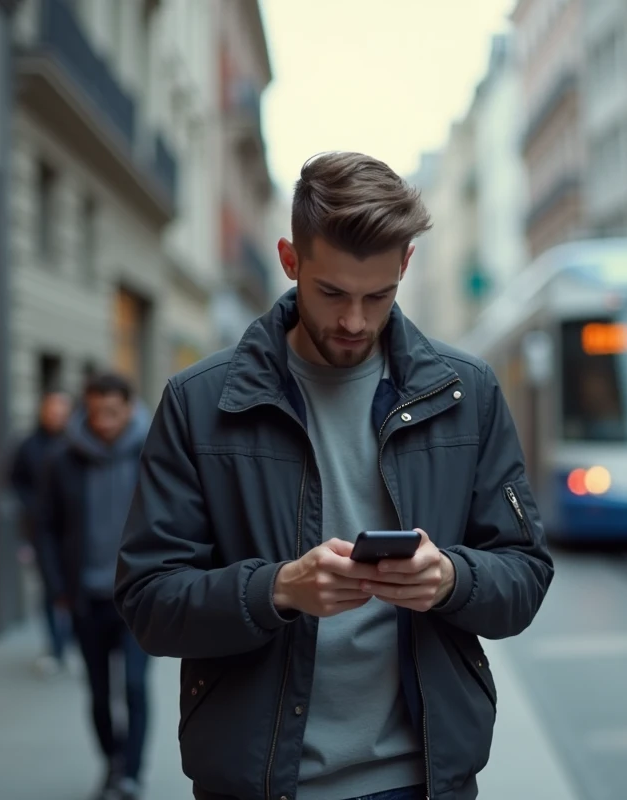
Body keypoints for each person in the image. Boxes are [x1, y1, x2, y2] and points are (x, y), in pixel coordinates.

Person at [114, 152, 556, 800]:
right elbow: (148, 602)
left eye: (378, 296)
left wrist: (452, 578)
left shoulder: (470, 394)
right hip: (259, 782)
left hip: (423, 779)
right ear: (290, 261)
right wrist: (277, 590)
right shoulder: (198, 403)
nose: (354, 321)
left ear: (405, 266)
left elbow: (525, 573)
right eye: (332, 294)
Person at [36, 372, 153, 800]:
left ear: (129, 407)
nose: (104, 422)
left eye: (113, 412)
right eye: (96, 412)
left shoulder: (152, 451)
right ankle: (113, 761)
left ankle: (131, 774)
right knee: (100, 693)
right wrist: (56, 587)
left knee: (137, 687)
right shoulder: (61, 458)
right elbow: (45, 527)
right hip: (86, 597)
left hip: (139, 595)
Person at [9, 388, 74, 676]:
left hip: (74, 531)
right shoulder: (29, 446)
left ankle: (75, 642)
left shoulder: (78, 444)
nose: (55, 415)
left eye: (61, 410)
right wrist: (34, 506)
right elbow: (15, 480)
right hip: (42, 531)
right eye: (51, 409)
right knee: (49, 588)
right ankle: (55, 646)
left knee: (77, 588)